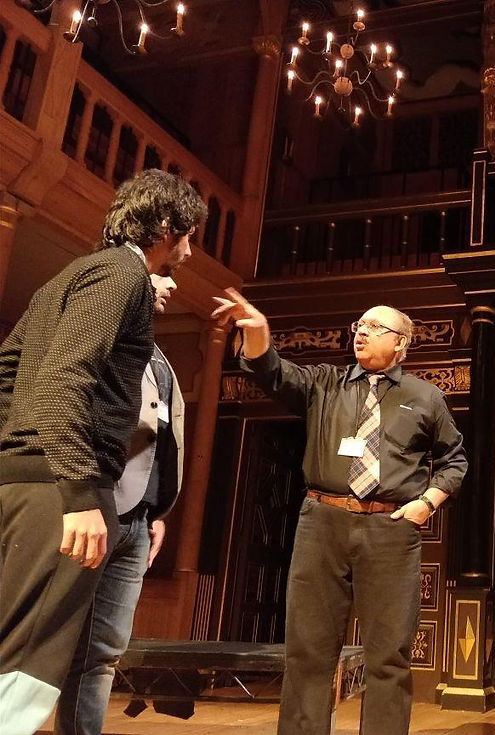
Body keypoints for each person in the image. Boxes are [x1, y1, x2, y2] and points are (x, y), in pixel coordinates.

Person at [0, 169, 203, 735]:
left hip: (23, 482)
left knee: (14, 647)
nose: (187, 252)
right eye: (187, 236)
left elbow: (7, 377)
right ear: (166, 225)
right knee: (30, 662)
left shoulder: (70, 276)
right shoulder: (122, 275)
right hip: (56, 492)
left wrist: (12, 458)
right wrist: (79, 492)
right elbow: (67, 380)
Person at [210, 289, 467, 735]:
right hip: (322, 522)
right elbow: (272, 373)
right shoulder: (324, 383)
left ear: (402, 342)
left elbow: (455, 460)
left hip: (390, 528)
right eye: (359, 326)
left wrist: (426, 503)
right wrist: (258, 335)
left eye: (374, 327)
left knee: (388, 653)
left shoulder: (425, 397)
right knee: (308, 649)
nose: (361, 332)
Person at [55, 272, 186, 735]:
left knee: (104, 649)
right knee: (41, 637)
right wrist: (81, 496)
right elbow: (62, 409)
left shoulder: (159, 358)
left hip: (137, 520)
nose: (171, 286)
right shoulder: (98, 334)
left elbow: (160, 441)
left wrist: (157, 511)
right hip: (89, 509)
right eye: (161, 275)